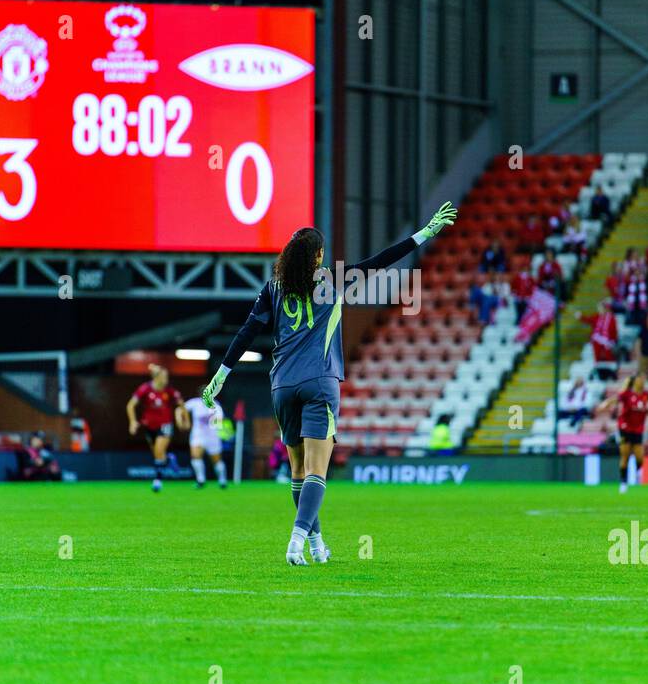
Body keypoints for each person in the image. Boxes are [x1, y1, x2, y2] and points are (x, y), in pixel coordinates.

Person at [202, 202, 458, 565]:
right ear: (317, 255)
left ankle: (317, 543)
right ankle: (295, 542)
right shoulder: (331, 280)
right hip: (319, 382)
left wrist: (221, 375)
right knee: (317, 472)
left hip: (281, 387)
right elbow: (379, 262)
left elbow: (247, 333)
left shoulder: (272, 289)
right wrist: (425, 233)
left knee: (298, 471)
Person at [126, 364, 189, 493]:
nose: (166, 379)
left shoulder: (170, 391)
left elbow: (182, 406)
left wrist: (186, 420)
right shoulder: (145, 389)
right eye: (164, 377)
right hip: (149, 426)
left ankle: (157, 480)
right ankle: (169, 459)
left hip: (165, 425)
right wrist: (132, 422)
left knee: (159, 451)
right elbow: (130, 405)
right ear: (156, 377)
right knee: (157, 455)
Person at [597, 374, 648, 493]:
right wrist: (606, 403)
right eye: (639, 379)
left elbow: (643, 409)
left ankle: (637, 475)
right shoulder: (627, 394)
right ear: (634, 382)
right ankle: (623, 482)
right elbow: (615, 399)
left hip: (638, 429)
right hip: (625, 428)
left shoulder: (645, 395)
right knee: (625, 455)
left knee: (640, 457)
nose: (642, 382)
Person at [184, 390, 229, 489]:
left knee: (217, 460)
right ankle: (201, 480)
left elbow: (221, 420)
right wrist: (186, 421)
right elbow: (181, 409)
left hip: (212, 436)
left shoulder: (216, 404)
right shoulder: (194, 403)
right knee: (195, 456)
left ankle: (222, 480)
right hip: (198, 435)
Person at [576, 301, 618, 369]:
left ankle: (611, 368)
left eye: (601, 308)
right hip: (597, 339)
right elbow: (588, 320)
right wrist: (581, 317)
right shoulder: (597, 317)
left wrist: (613, 340)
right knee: (596, 347)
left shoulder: (611, 318)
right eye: (599, 308)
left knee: (608, 353)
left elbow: (614, 330)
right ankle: (597, 366)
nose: (600, 310)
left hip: (608, 340)